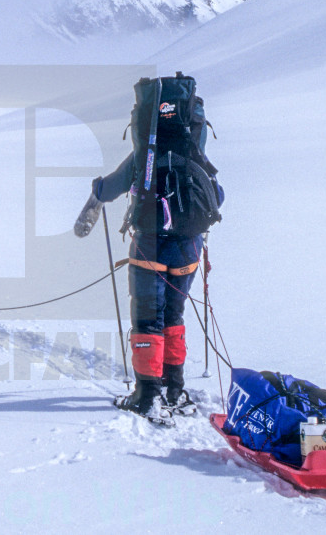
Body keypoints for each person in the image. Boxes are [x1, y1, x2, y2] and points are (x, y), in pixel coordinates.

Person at [74, 73, 223, 425]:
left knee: (146, 319)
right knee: (173, 317)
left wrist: (97, 190)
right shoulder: (195, 152)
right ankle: (174, 387)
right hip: (188, 248)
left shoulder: (145, 156)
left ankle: (146, 395)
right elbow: (217, 197)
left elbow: (110, 188)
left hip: (150, 245)